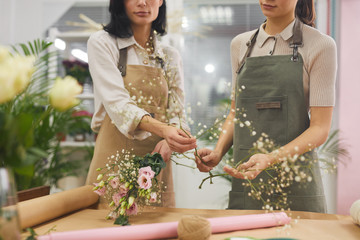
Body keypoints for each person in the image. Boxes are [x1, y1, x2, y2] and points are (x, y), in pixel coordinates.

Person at [195, 0, 336, 213]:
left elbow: (320, 128)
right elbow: (236, 111)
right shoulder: (240, 45)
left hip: (296, 185)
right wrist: (218, 151)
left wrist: (270, 158)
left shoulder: (320, 45)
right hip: (247, 180)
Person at [85, 0, 196, 208]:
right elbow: (118, 104)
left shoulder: (169, 56)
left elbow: (178, 113)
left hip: (157, 164)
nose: (143, 2)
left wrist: (171, 141)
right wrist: (165, 129)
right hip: (114, 162)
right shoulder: (103, 43)